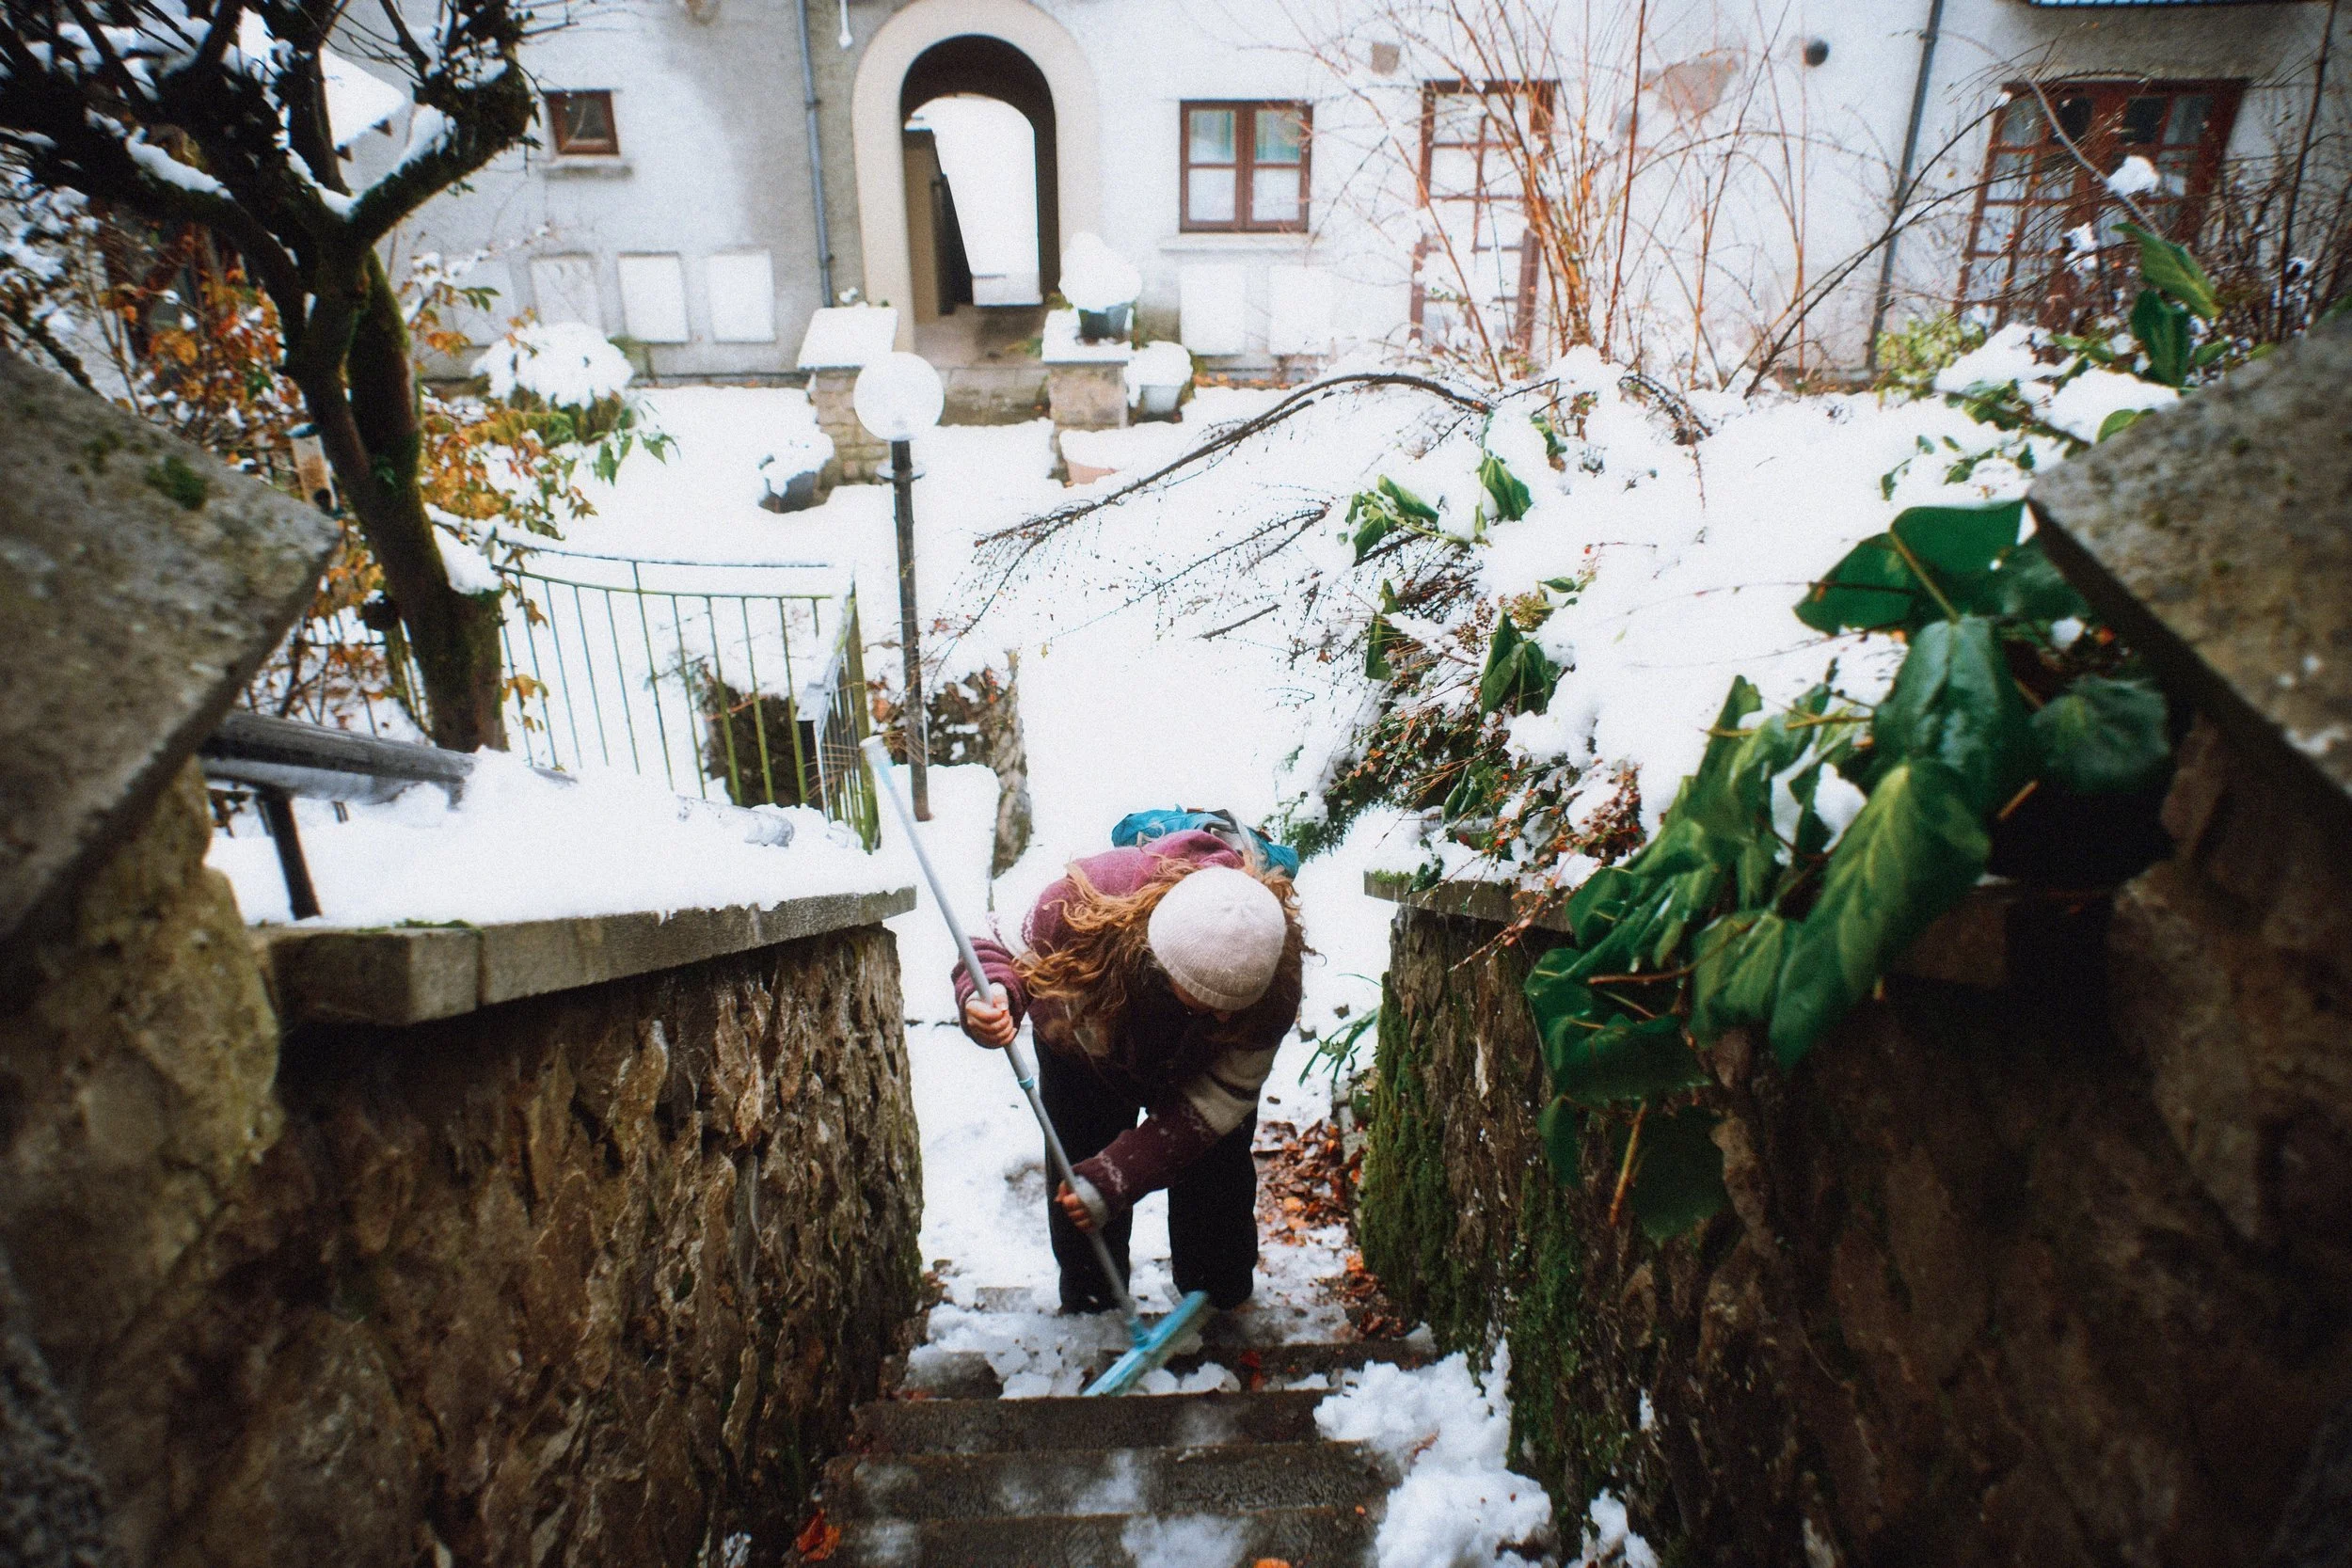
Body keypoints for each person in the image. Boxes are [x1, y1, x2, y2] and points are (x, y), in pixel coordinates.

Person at [955, 829, 1302, 1314]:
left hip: (1198, 1067)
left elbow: (1215, 1104)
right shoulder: (1079, 905)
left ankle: (1218, 1299)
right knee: (1080, 1166)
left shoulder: (1274, 977)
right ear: (1162, 963)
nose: (1223, 1017)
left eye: (1235, 1007)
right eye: (1207, 1001)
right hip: (1082, 1043)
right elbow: (994, 944)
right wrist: (989, 994)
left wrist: (1123, 1172)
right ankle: (1093, 1299)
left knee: (1217, 1170)